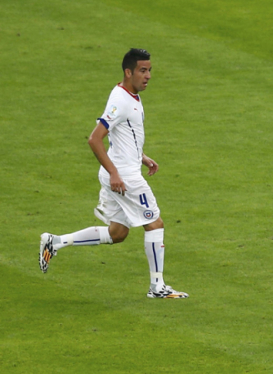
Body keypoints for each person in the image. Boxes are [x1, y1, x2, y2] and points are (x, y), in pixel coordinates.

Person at [39, 48, 188, 299]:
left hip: (121, 171)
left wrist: (141, 156)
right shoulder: (121, 100)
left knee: (117, 233)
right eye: (143, 70)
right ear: (128, 72)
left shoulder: (128, 94)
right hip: (124, 177)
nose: (148, 75)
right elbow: (95, 139)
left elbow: (123, 135)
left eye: (150, 70)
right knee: (155, 223)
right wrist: (115, 174)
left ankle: (55, 241)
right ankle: (157, 287)